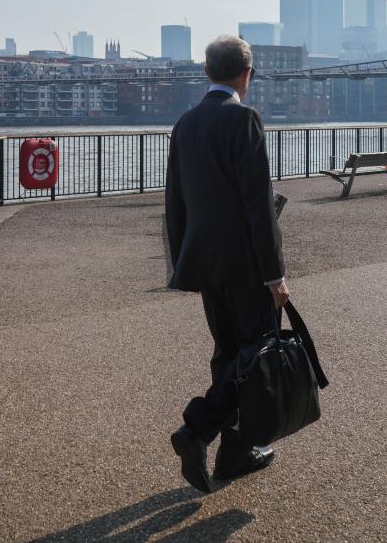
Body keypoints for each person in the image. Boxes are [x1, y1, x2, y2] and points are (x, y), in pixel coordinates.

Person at [165, 35, 289, 493]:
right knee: (254, 357)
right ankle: (200, 431)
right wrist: (274, 275)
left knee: (228, 354)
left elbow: (174, 204)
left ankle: (235, 452)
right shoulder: (244, 119)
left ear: (206, 73)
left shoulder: (186, 124)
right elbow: (258, 206)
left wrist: (182, 263)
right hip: (245, 265)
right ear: (247, 74)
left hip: (203, 263)